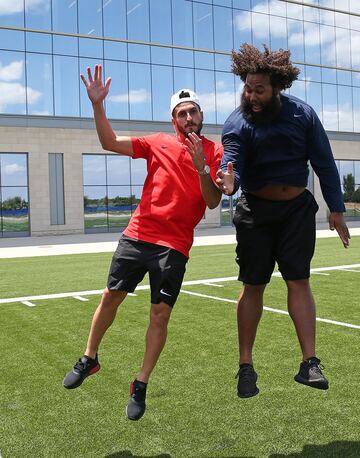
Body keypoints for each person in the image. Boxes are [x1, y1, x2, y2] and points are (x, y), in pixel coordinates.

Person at [63, 64, 223, 420]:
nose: (188, 117)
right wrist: (98, 105)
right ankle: (89, 358)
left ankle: (140, 384)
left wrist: (201, 167)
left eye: (193, 111)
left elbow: (213, 201)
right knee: (111, 296)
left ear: (201, 115)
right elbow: (108, 142)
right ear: (173, 121)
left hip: (175, 245)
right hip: (138, 234)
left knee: (159, 315)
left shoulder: (215, 151)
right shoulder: (157, 143)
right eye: (181, 113)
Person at [216, 44, 350, 398]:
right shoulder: (237, 121)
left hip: (295, 212)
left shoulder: (302, 115)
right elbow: (231, 162)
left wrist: (335, 209)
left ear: (277, 87)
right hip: (256, 213)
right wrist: (228, 181)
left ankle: (309, 363)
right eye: (247, 88)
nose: (252, 96)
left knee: (299, 280)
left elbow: (324, 163)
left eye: (259, 89)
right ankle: (246, 366)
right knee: (253, 285)